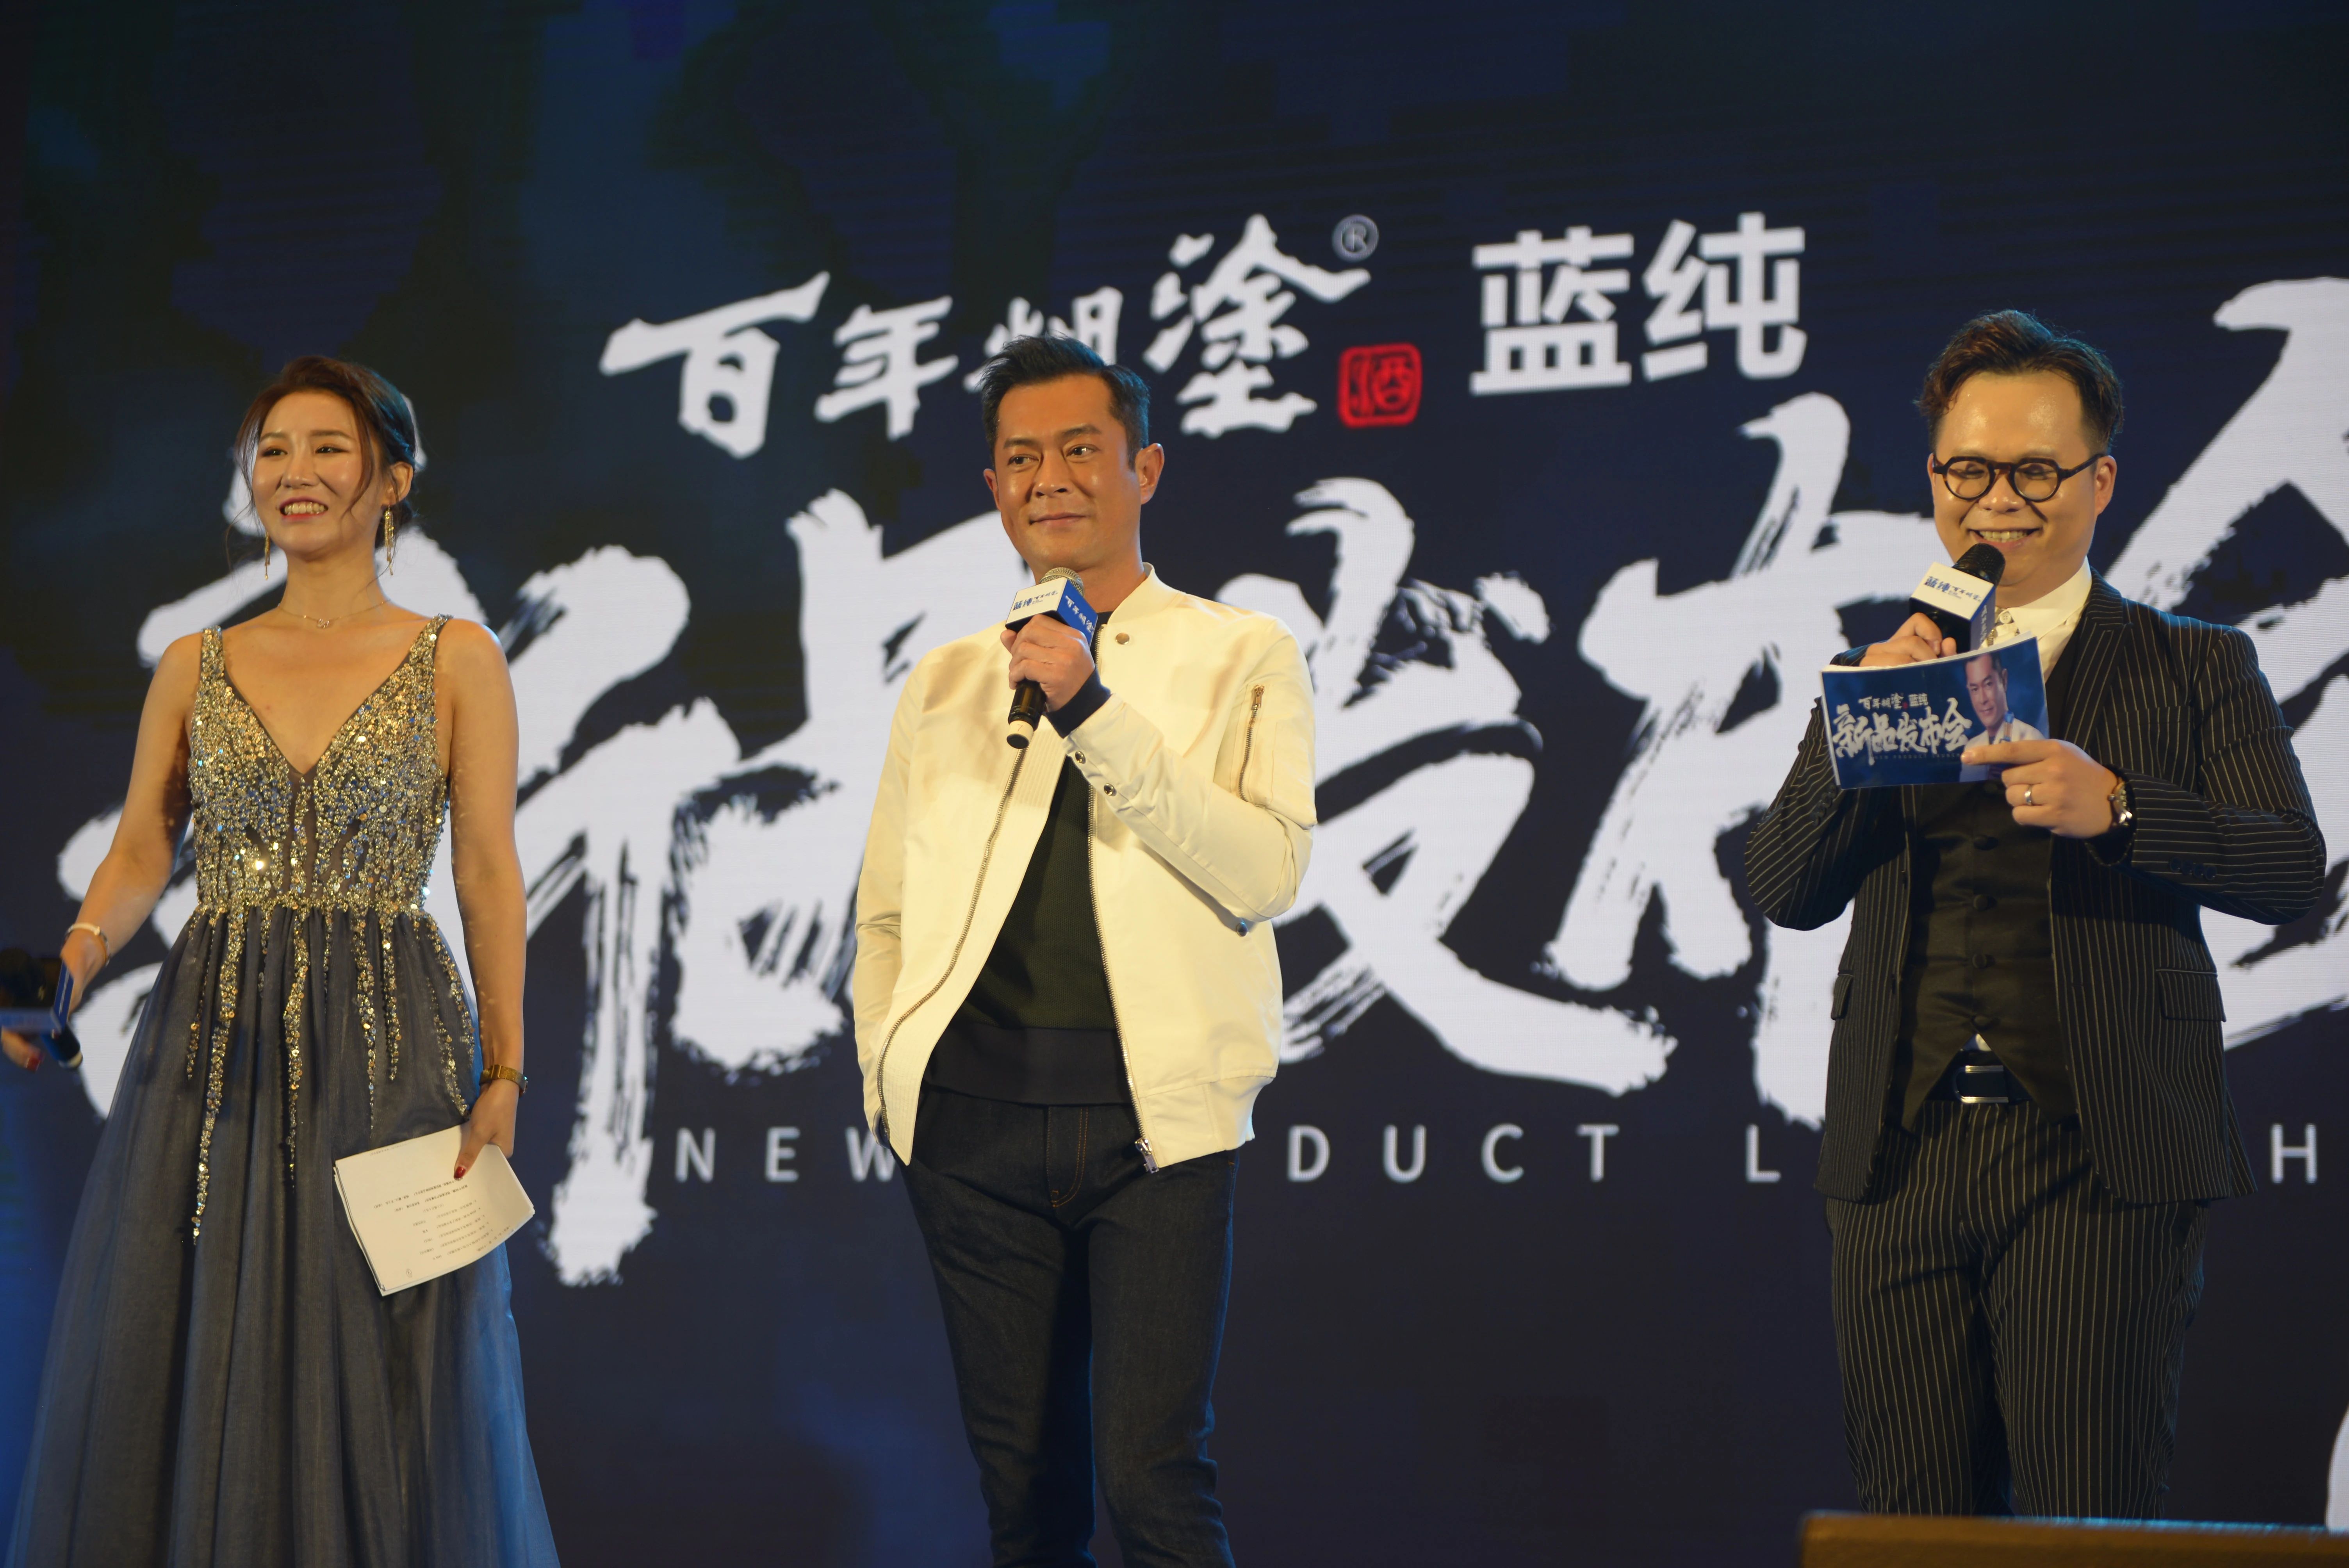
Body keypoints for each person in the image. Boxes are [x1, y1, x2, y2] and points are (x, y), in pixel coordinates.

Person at [1746, 311, 2325, 1518]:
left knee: (2086, 1513)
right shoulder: (1885, 671)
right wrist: (1859, 727)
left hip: (2099, 1151)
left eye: (2034, 472)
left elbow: (2289, 868)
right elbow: (1785, 889)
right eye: (1968, 471)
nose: (1997, 501)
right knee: (1911, 1523)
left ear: (2098, 482)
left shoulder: (2194, 666)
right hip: (1898, 1153)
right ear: (1934, 480)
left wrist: (2119, 808)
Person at [5, 357, 560, 1566]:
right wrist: (75, 962)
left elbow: (486, 870)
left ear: (391, 481)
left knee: (395, 1366)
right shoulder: (195, 665)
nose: (293, 474)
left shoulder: (457, 657)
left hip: (394, 1040)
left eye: (327, 448)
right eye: (272, 451)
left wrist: (506, 1071)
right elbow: (142, 846)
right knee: (202, 1346)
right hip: (215, 1048)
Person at [853, 335, 1315, 1566]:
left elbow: (1266, 871)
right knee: (1024, 1497)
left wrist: (1090, 705)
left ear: (1143, 469)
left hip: (1153, 1129)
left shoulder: (1242, 651)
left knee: (1155, 1481)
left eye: (1077, 450)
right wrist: (890, 1076)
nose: (1047, 480)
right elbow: (886, 911)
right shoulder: (947, 680)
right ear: (993, 487)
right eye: (1020, 458)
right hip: (970, 1129)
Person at [1955, 650, 2043, 782]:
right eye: (1975, 689)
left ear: (2004, 680)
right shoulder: (1971, 747)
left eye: (1988, 684)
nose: (1982, 700)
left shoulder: (2031, 738)